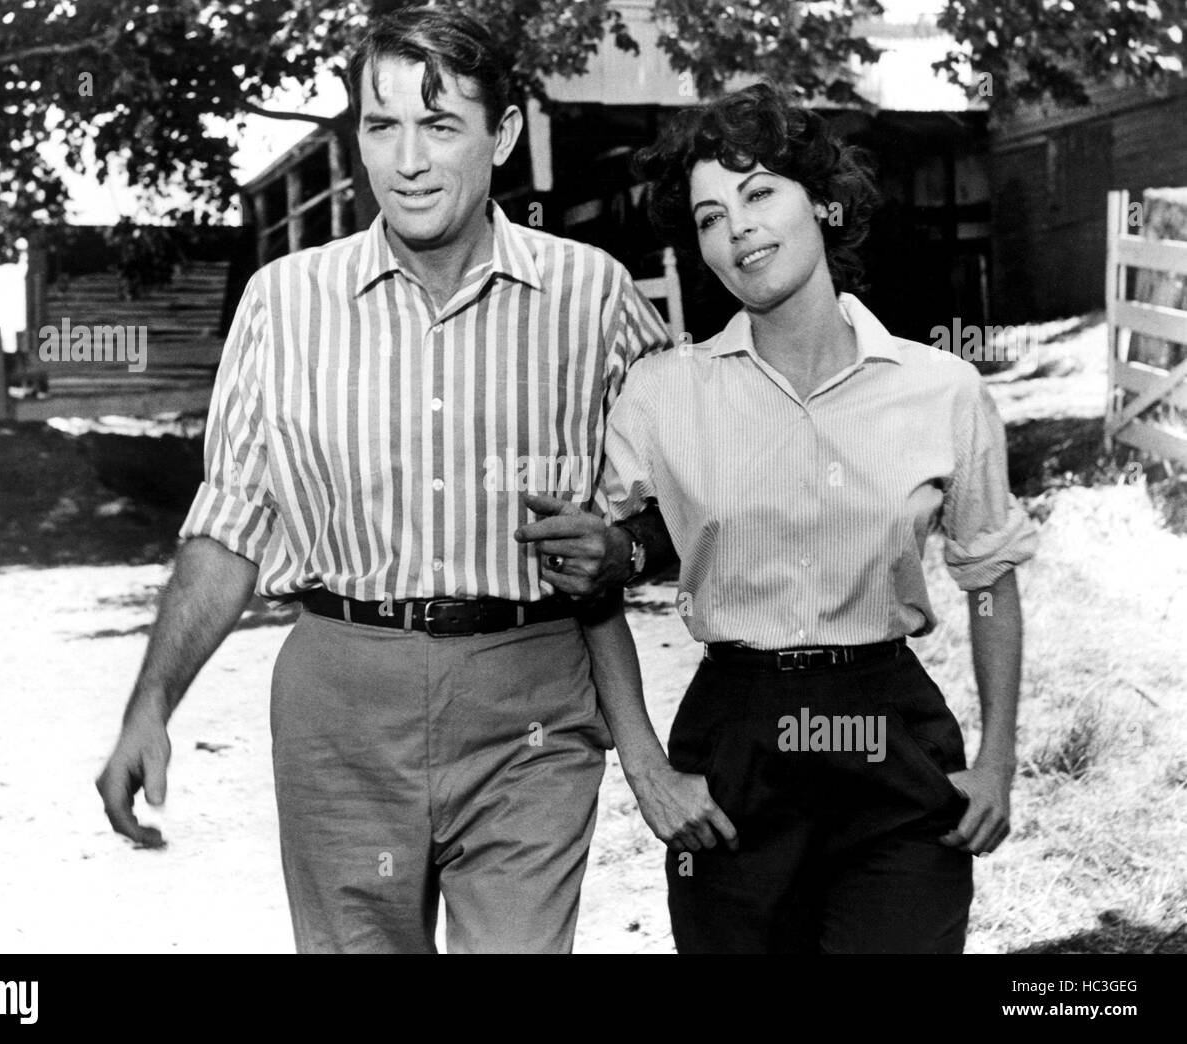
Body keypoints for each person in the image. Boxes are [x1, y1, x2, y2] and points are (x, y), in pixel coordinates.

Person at [95, 6, 677, 954]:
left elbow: (677, 501)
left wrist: (629, 547)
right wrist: (151, 705)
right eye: (381, 125)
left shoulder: (594, 297)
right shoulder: (284, 304)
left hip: (530, 704)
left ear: (505, 134)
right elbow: (230, 525)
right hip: (341, 706)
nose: (408, 160)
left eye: (441, 125)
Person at [591, 84, 1040, 953]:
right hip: (734, 755)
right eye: (711, 216)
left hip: (891, 742)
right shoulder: (661, 393)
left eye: (760, 193)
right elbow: (588, 581)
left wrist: (996, 759)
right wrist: (646, 769)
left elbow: (989, 575)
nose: (740, 229)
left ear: (822, 204)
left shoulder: (940, 388)